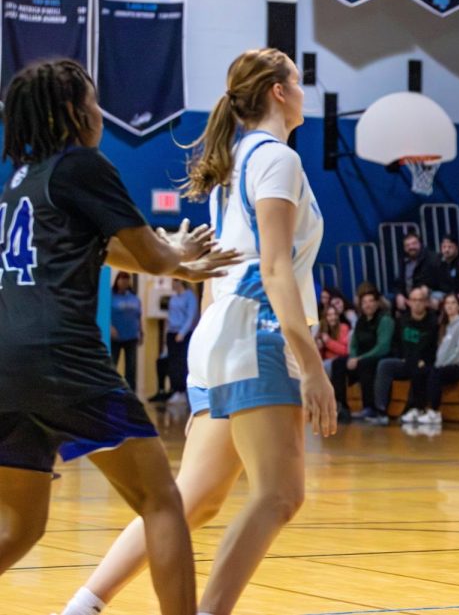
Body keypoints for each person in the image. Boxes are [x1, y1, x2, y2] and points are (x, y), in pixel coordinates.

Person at [62, 48, 339, 615]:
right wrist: (312, 367)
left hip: (219, 334)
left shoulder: (232, 166)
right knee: (280, 494)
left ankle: (84, 604)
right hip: (258, 331)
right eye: (297, 77)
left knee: (194, 499)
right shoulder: (277, 160)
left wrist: (205, 367)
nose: (304, 88)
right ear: (278, 93)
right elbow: (275, 267)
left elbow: (215, 275)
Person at [0, 60, 230, 615]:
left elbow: (102, 249)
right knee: (161, 499)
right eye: (93, 100)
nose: (100, 112)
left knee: (19, 527)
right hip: (62, 358)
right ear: (73, 111)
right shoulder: (83, 165)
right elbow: (149, 253)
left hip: (6, 370)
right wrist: (176, 257)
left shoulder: (19, 182)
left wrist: (179, 264)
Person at [369, 286, 438, 425]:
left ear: (426, 302)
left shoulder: (433, 322)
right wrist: (400, 356)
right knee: (384, 365)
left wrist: (425, 360)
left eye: (420, 300)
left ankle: (411, 408)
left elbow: (435, 347)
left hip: (423, 363)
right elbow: (395, 343)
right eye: (414, 300)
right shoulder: (402, 320)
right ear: (408, 302)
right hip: (405, 360)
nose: (417, 303)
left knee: (419, 371)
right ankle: (380, 410)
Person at [330, 288, 394, 419]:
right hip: (360, 357)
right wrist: (353, 356)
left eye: (371, 301)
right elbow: (353, 343)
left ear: (377, 303)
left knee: (366, 364)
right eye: (364, 302)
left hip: (378, 357)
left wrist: (359, 358)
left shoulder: (385, 320)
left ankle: (369, 407)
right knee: (337, 363)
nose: (368, 304)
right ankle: (341, 406)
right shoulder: (361, 321)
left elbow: (383, 347)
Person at [417, 293, 459, 425]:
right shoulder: (445, 327)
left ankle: (434, 412)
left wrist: (442, 365)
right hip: (445, 365)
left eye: (453, 303)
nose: (449, 306)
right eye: (447, 303)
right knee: (422, 371)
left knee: (436, 372)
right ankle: (418, 408)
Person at [163, 280, 200, 403]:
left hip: (183, 334)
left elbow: (191, 316)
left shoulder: (190, 296)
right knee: (172, 363)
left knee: (182, 363)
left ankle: (183, 391)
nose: (171, 283)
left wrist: (182, 333)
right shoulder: (174, 296)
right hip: (171, 332)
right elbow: (170, 315)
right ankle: (175, 389)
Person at [109, 271, 142, 391]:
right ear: (117, 281)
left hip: (131, 337)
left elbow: (138, 315)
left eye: (126, 279)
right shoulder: (110, 296)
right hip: (116, 337)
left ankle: (131, 393)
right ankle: (111, 390)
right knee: (112, 365)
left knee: (131, 368)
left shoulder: (134, 298)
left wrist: (141, 331)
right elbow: (105, 313)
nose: (124, 282)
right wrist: (109, 327)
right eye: (122, 279)